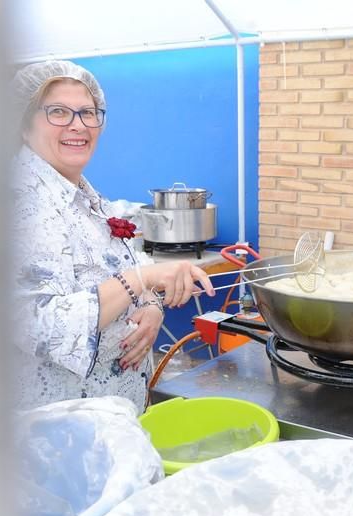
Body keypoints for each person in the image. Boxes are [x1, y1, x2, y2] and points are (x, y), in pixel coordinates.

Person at [11, 60, 215, 411]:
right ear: (24, 125)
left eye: (88, 113)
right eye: (58, 112)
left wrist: (151, 303)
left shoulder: (89, 200)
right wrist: (141, 279)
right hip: (57, 431)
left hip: (115, 420)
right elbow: (38, 324)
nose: (78, 125)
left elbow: (127, 268)